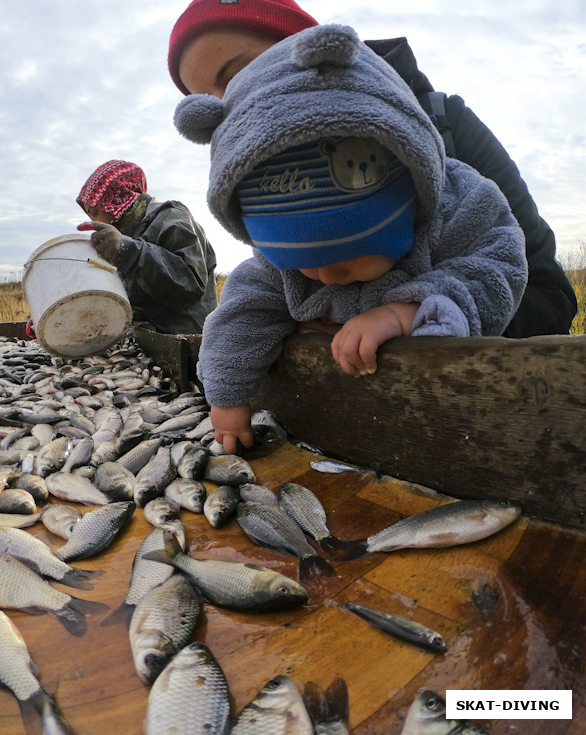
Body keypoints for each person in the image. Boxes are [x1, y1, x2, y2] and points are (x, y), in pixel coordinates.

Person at [173, 23, 529, 453]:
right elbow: (242, 313)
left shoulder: (455, 208)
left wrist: (407, 311)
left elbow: (498, 265)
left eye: (351, 252)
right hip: (351, 428)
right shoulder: (275, 266)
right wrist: (228, 396)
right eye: (301, 261)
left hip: (468, 419)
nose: (326, 274)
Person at [167, 0, 576, 338]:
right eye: (210, 105)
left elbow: (549, 298)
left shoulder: (446, 125)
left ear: (306, 47)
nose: (235, 110)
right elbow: (265, 301)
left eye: (239, 75)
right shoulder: (266, 192)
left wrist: (413, 318)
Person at [76, 159, 217, 334]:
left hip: (188, 345)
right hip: (150, 341)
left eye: (95, 212)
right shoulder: (126, 238)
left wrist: (128, 252)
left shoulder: (171, 218)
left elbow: (190, 282)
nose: (93, 221)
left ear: (117, 203)